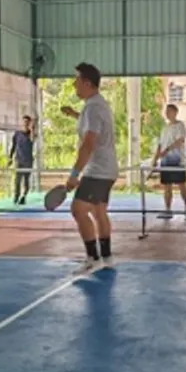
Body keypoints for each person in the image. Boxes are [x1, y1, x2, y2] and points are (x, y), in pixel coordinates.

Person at [61, 63, 118, 274]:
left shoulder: (93, 108)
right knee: (98, 211)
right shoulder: (97, 104)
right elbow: (92, 126)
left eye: (76, 80)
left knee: (78, 209)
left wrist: (74, 174)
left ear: (87, 83)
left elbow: (89, 143)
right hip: (108, 169)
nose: (73, 84)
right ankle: (107, 257)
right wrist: (74, 114)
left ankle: (93, 259)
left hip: (97, 170)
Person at [152, 103, 186, 220]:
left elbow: (180, 140)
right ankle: (168, 210)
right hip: (165, 161)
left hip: (177, 160)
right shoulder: (164, 128)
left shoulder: (180, 126)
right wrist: (155, 159)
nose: (167, 113)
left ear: (175, 112)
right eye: (166, 111)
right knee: (167, 186)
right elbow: (160, 144)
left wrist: (167, 150)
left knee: (181, 184)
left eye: (169, 111)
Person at [9, 115, 34, 205]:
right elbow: (13, 146)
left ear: (29, 123)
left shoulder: (31, 134)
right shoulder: (17, 134)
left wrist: (32, 129)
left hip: (28, 161)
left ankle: (24, 196)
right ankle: (16, 196)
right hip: (19, 160)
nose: (25, 123)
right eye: (24, 122)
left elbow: (32, 139)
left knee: (26, 180)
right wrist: (10, 157)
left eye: (27, 122)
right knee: (17, 180)